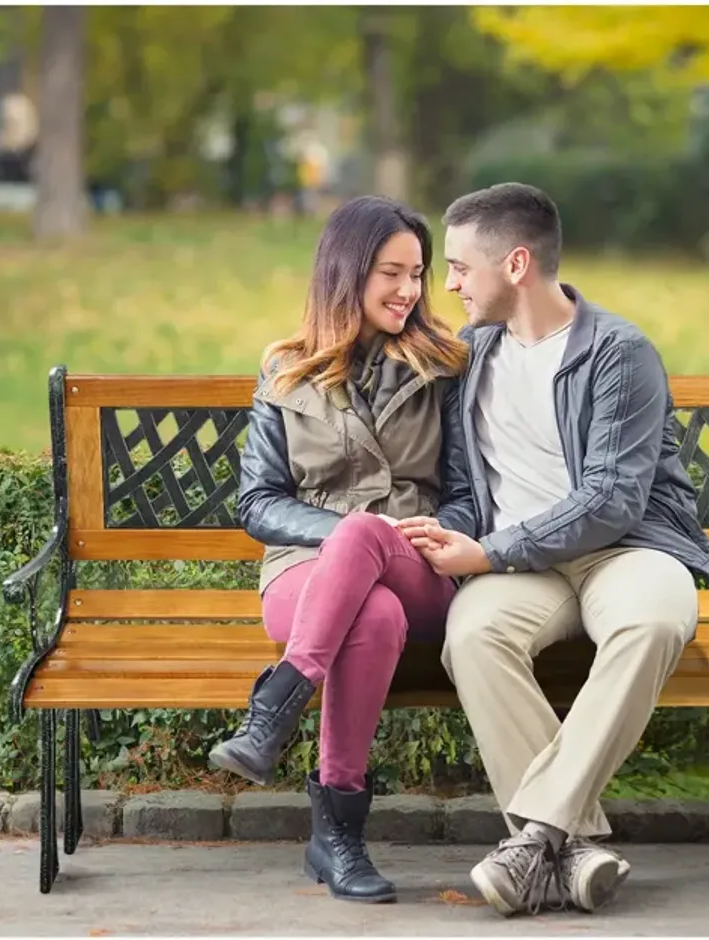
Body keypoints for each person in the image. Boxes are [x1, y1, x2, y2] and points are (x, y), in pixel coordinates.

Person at [397, 182, 709, 917]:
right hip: (519, 565)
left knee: (653, 622)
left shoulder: (618, 352)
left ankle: (537, 832)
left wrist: (488, 552)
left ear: (515, 264)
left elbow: (611, 500)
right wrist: (458, 532)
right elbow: (457, 478)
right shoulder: (469, 356)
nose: (446, 285)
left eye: (458, 267)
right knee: (473, 636)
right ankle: (571, 851)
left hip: (627, 550)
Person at [209, 195, 476, 904]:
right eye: (392, 272)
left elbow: (468, 491)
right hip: (307, 576)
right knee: (373, 608)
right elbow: (258, 503)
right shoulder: (287, 371)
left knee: (371, 543)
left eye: (418, 273)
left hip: (423, 563)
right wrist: (350, 538)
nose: (410, 290)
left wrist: (435, 532)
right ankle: (338, 840)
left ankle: (280, 699)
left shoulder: (445, 367)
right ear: (345, 271)